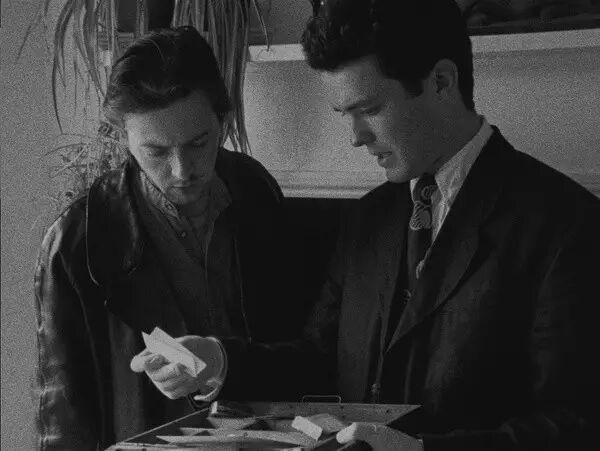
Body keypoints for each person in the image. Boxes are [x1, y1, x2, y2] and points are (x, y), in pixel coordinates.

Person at [133, 1, 600, 450]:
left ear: (442, 81)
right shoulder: (368, 218)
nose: (356, 137)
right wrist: (217, 361)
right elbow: (320, 359)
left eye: (370, 109)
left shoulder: (568, 226)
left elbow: (576, 428)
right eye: (345, 114)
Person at [32, 26, 298, 450]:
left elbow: (297, 346)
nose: (181, 170)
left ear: (224, 121)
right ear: (124, 137)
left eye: (198, 143)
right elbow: (65, 416)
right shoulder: (76, 239)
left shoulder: (255, 191)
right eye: (156, 151)